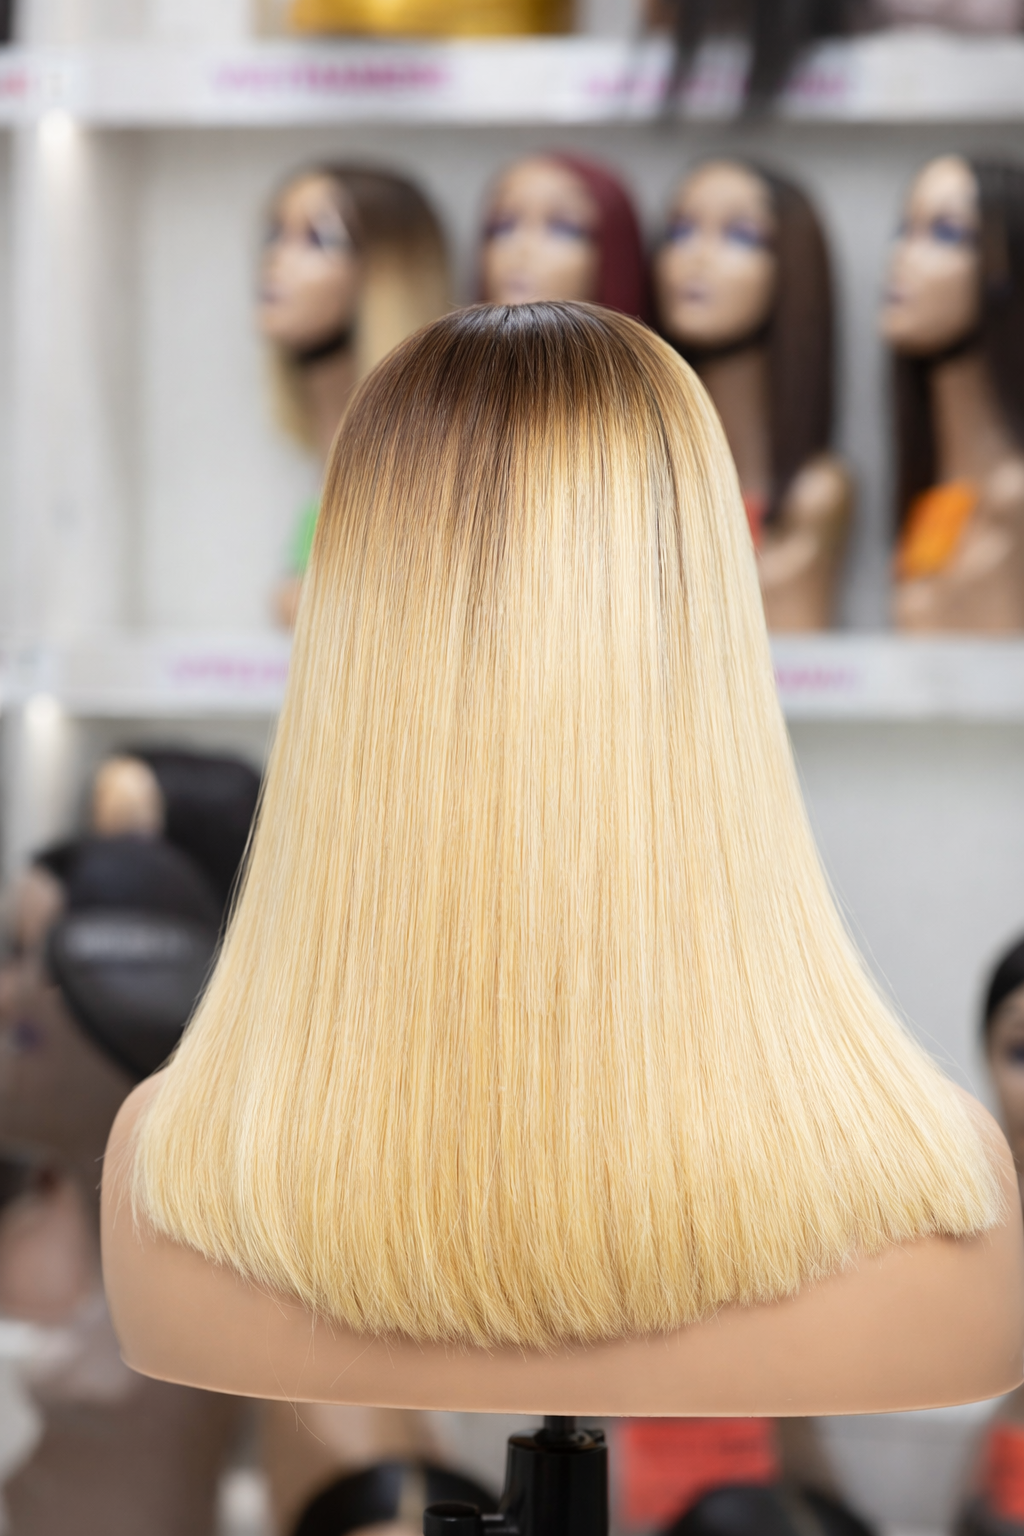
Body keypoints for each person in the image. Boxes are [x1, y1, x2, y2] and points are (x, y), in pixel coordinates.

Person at [653, 160, 851, 629]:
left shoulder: (816, 496)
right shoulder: (637, 485)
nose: (697, 256)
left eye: (740, 236)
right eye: (681, 232)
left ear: (792, 266)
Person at [883, 157, 1024, 630]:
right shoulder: (937, 491)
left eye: (945, 234)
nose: (903, 256)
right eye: (904, 230)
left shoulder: (1014, 499)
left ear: (1005, 270)